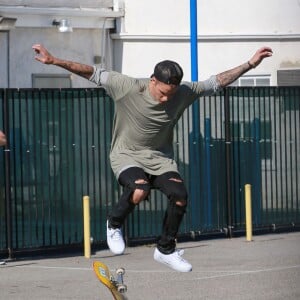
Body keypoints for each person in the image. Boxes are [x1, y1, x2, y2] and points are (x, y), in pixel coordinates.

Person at [32, 44, 273, 272]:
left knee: (180, 196)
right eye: (163, 93)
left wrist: (250, 64)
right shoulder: (126, 86)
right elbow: (91, 72)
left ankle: (165, 250)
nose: (167, 99)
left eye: (172, 94)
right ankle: (114, 224)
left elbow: (216, 82)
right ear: (153, 80)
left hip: (160, 159)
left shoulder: (184, 91)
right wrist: (53, 61)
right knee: (139, 189)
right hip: (126, 154)